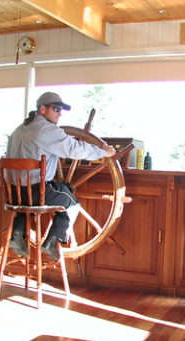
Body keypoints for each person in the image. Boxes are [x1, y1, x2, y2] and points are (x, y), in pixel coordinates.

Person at [6, 91, 116, 260]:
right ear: (42, 109)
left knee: (31, 200)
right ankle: (52, 241)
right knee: (72, 203)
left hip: (13, 195)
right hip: (36, 193)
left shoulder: (18, 130)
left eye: (60, 110)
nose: (60, 113)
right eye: (56, 109)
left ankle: (17, 233)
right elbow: (74, 149)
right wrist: (103, 152)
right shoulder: (45, 130)